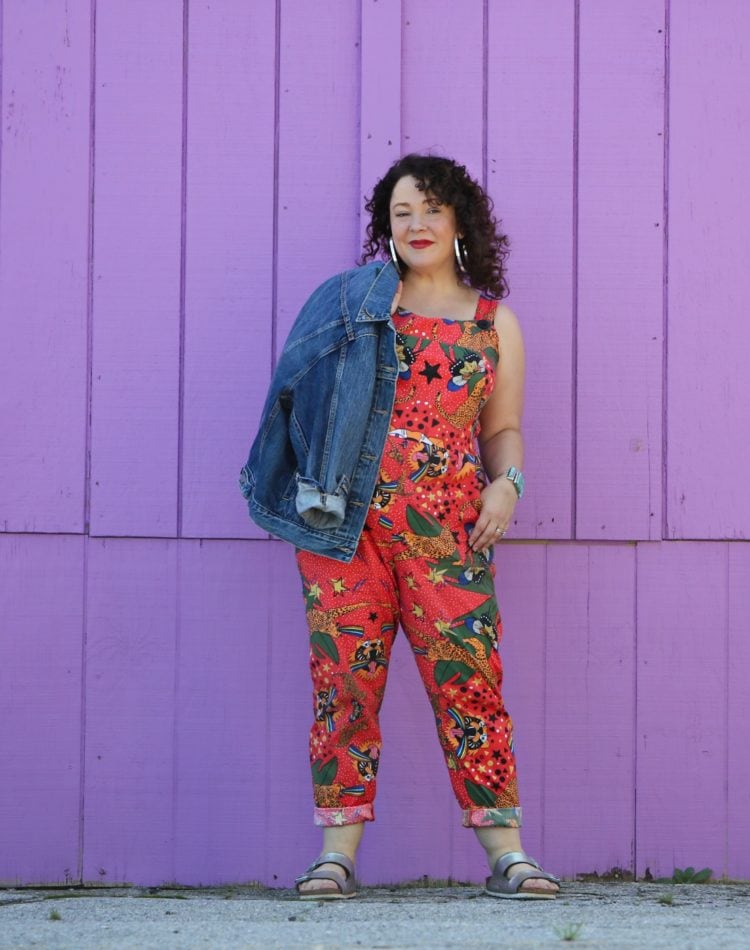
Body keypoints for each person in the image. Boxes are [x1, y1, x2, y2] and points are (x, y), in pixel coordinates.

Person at [240, 154, 560, 901]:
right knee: (344, 685)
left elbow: (502, 429)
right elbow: (293, 397)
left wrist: (507, 486)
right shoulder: (353, 306)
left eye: (431, 210)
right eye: (401, 213)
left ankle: (508, 855)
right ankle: (336, 857)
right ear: (385, 227)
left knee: (469, 681)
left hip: (450, 532)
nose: (416, 225)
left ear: (460, 223)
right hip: (342, 531)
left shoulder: (493, 323)